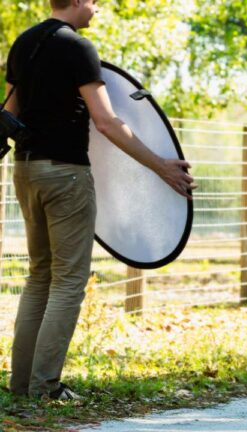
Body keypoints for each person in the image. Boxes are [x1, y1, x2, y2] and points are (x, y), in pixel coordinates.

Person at [4, 0, 196, 400]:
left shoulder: (23, 43)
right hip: (66, 173)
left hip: (24, 169)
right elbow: (107, 122)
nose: (97, 8)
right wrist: (161, 166)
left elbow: (12, 111)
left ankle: (21, 386)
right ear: (75, 1)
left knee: (39, 275)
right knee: (69, 281)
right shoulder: (79, 48)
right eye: (94, 1)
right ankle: (45, 388)